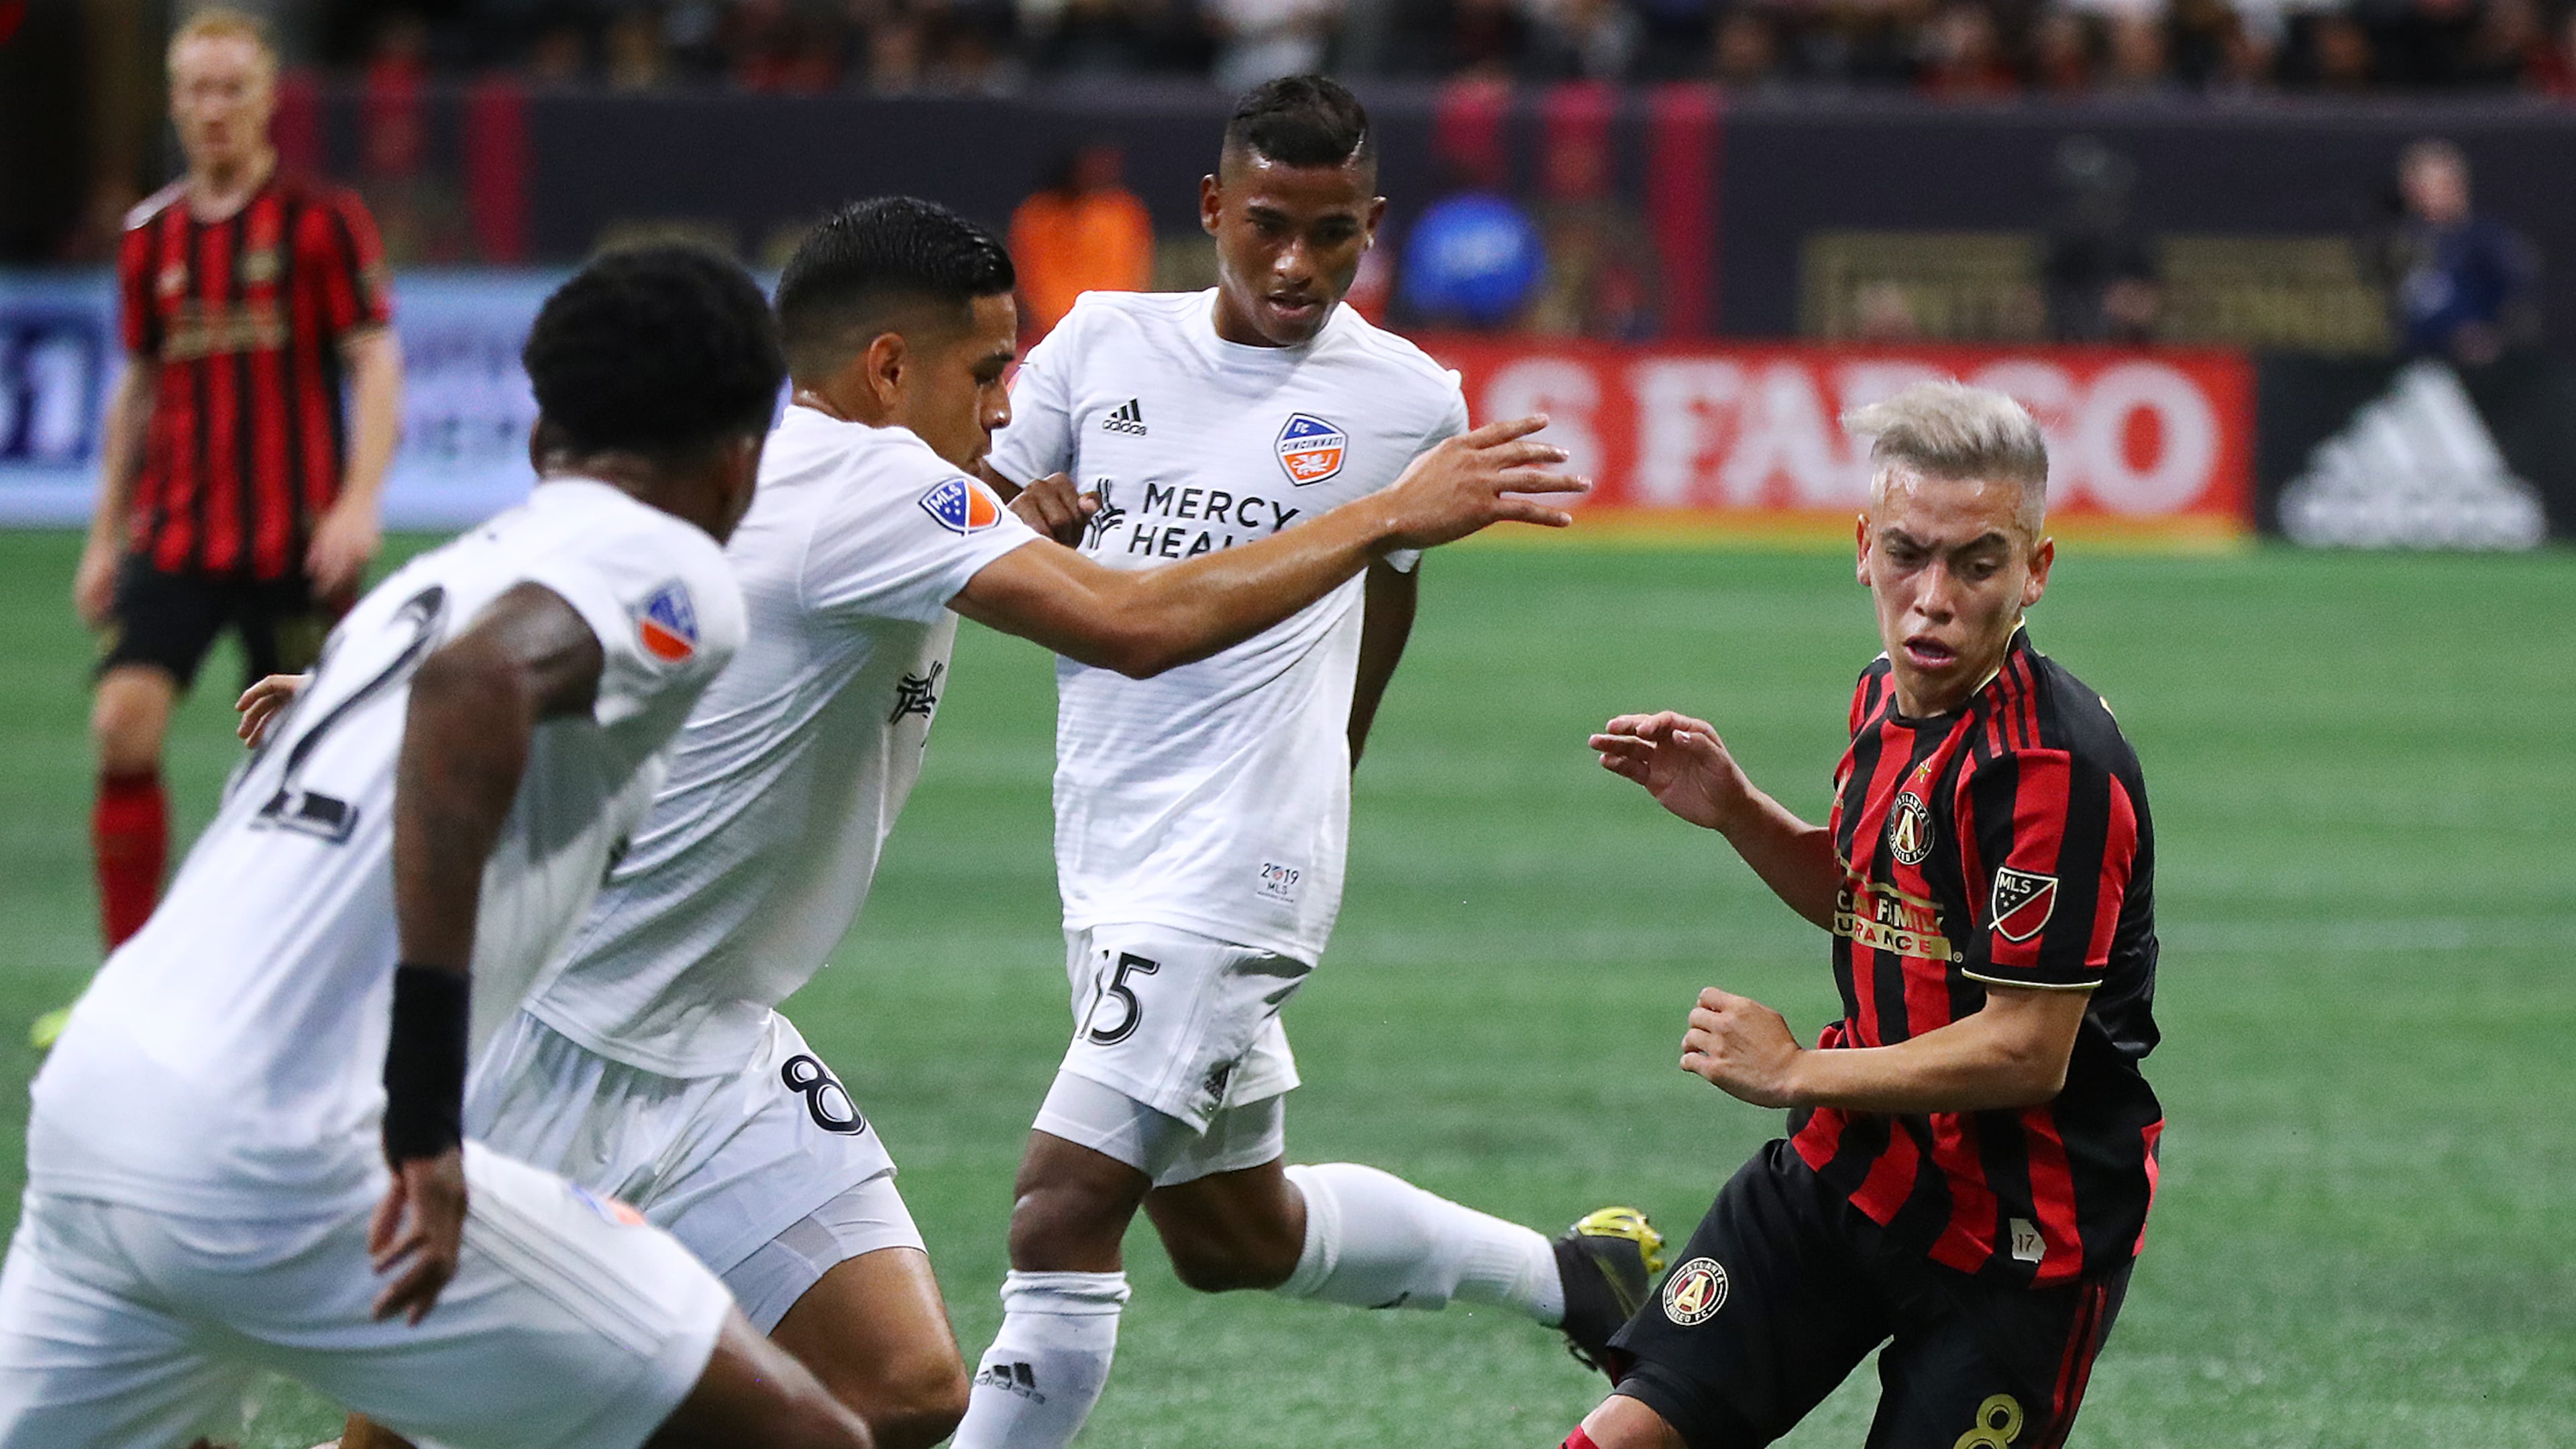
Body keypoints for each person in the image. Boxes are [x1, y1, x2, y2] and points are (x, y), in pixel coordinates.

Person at [321, 194, 1582, 1449]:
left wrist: (359, 695)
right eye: (985, 373)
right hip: (561, 1042)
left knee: (911, 1392)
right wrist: (1387, 513)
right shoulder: (869, 485)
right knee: (430, 1426)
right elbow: (1136, 627)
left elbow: (579, 593)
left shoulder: (770, 477)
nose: (1002, 407)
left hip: (717, 1044)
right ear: (885, 369)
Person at [0, 248, 880, 1449]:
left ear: (539, 440)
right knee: (801, 1438)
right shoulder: (666, 558)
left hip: (102, 1105)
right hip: (284, 1153)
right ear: (740, 460)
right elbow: (475, 691)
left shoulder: (434, 581)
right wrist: (423, 1120)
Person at [954, 76, 1662, 1449]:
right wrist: (1017, 510)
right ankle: (1577, 1277)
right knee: (1231, 1230)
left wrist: (1328, 770)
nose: (1297, 265)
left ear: (1373, 228)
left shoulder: (1405, 398)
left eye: (1332, 236)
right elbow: (965, 500)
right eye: (1268, 226)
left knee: (1060, 1204)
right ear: (1213, 209)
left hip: (1239, 867)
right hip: (1107, 842)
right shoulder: (1101, 342)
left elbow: (1389, 589)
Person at [1569, 381, 2163, 1449]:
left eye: (1976, 564)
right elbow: (1876, 907)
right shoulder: (1884, 696)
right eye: (1906, 554)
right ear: (1861, 548)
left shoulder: (2055, 766)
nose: (1932, 597)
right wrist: (1739, 813)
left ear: (2034, 571)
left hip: (2017, 1239)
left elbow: (2027, 1050)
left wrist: (1793, 1071)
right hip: (1852, 1164)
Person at [52, 7, 404, 1051]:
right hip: (177, 534)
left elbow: (374, 361)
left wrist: (356, 501)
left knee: (317, 761)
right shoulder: (149, 237)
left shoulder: (320, 221)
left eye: (231, 90)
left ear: (266, 101)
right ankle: (127, 990)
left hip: (293, 541)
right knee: (122, 725)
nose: (213, 110)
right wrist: (103, 532)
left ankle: (311, 998)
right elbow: (141, 389)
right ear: (174, 102)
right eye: (195, 91)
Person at [2380, 138, 2537, 366]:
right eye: (2420, 185)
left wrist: (2491, 336)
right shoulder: (2400, 242)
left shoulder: (2488, 242)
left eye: (2438, 184)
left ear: (2458, 185)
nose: (2428, 194)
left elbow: (2523, 303)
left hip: (2488, 371)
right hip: (2419, 367)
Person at [1008, 141, 1156, 341]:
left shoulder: (1124, 213)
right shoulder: (1037, 216)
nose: (1102, 169)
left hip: (1111, 331)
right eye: (1093, 160)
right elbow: (1032, 284)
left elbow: (1133, 275)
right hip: (1049, 336)